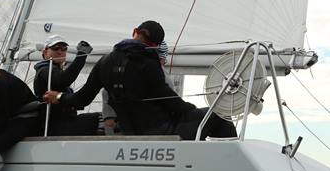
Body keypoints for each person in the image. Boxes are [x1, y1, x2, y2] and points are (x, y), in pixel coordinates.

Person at [44, 20, 236, 140]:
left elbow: (81, 99)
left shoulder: (104, 62)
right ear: (156, 45)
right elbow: (171, 102)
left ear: (135, 31)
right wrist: (191, 109)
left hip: (131, 133)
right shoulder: (149, 64)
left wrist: (58, 97)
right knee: (217, 115)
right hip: (161, 131)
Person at [32, 35, 99, 136]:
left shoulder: (54, 70)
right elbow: (63, 80)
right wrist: (82, 55)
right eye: (55, 48)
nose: (60, 52)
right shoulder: (44, 70)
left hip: (65, 122)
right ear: (45, 52)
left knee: (101, 118)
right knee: (100, 120)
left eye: (64, 49)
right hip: (53, 126)